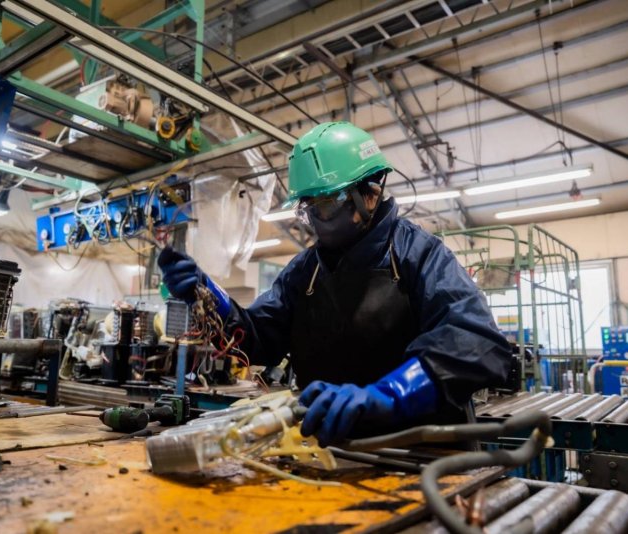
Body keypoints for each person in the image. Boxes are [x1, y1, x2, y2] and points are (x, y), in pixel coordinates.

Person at [158, 122, 512, 447]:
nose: (314, 220)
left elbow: (477, 341)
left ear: (369, 193)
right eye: (307, 207)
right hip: (338, 454)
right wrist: (207, 295)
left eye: (325, 206)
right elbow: (255, 339)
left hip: (424, 458)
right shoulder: (306, 270)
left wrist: (388, 395)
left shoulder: (419, 256)